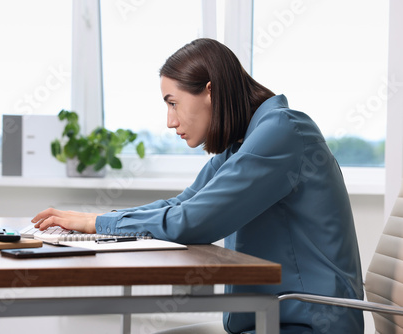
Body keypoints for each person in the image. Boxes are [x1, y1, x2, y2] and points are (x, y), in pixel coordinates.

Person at [32, 38, 364, 333]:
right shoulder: (244, 143)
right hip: (269, 320)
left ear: (210, 91)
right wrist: (97, 223)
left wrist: (94, 224)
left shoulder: (282, 134)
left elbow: (192, 221)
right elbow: (183, 204)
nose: (169, 121)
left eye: (172, 102)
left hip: (305, 324)